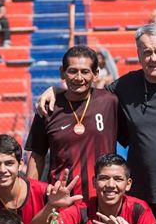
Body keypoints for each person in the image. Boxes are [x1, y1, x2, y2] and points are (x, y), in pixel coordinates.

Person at [37, 24, 156, 221]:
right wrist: (57, 91)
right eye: (146, 52)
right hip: (145, 197)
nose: (153, 58)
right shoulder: (123, 87)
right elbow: (87, 94)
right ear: (138, 54)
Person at [25, 46, 120, 199]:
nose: (79, 77)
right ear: (62, 73)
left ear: (96, 74)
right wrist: (30, 197)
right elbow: (37, 156)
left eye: (85, 71)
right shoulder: (48, 108)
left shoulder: (110, 102)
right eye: (73, 71)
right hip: (62, 199)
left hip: (103, 200)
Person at [28, 154, 156, 224]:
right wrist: (52, 205)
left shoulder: (138, 209)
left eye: (118, 179)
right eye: (104, 178)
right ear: (94, 182)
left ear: (128, 184)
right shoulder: (82, 211)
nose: (111, 185)